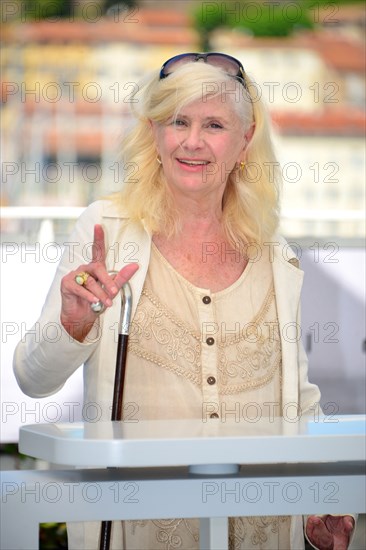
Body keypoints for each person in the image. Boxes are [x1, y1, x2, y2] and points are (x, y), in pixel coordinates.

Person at [13, 52, 355, 550]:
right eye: (178, 121)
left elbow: (297, 406)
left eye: (214, 124)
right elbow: (32, 379)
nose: (193, 142)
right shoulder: (105, 232)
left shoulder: (275, 257)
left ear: (245, 141)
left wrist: (316, 507)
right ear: (154, 134)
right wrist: (72, 323)